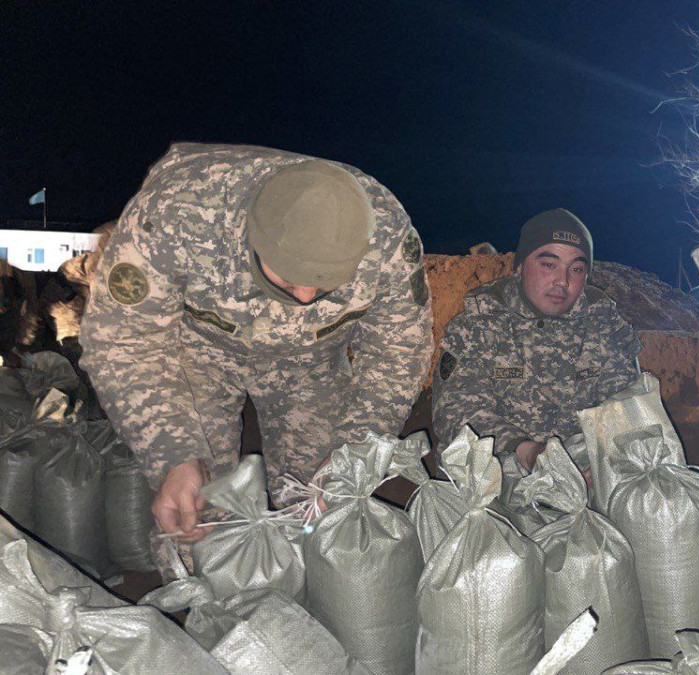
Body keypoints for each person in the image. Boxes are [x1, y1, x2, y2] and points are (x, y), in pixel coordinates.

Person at [80, 143, 433, 544]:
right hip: (199, 355)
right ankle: (206, 599)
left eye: (324, 284)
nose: (304, 297)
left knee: (322, 502)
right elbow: (123, 340)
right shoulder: (177, 211)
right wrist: (172, 452)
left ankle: (301, 593)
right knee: (196, 506)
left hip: (311, 363)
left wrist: (355, 451)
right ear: (253, 239)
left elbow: (398, 352)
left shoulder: (386, 238)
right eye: (286, 278)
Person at [433, 208, 641, 471]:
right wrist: (523, 449)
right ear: (520, 267)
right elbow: (454, 412)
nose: (562, 282)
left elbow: (627, 407)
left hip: (583, 476)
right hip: (492, 480)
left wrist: (597, 467)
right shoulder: (477, 326)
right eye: (549, 265)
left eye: (576, 269)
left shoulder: (605, 328)